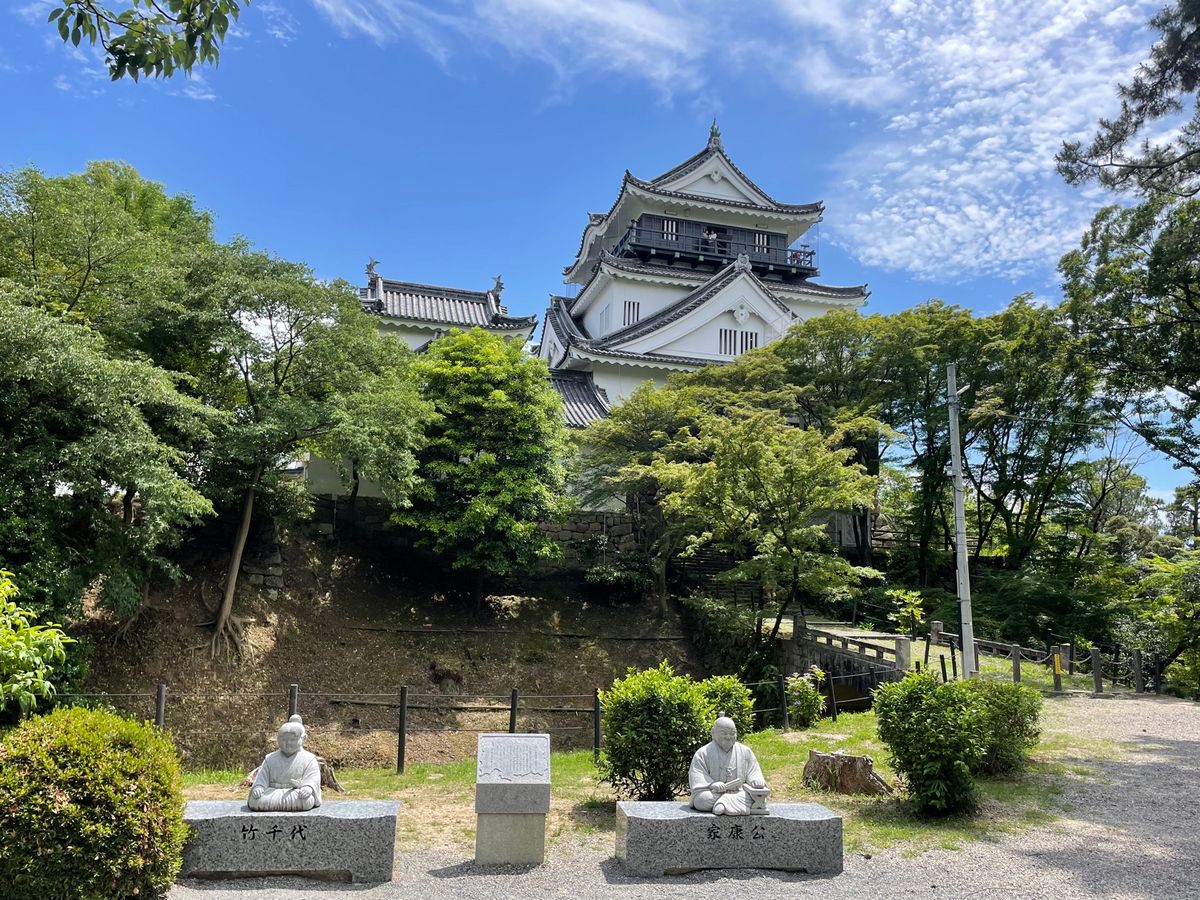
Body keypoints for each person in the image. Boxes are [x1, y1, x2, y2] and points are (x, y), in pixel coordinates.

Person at [688, 715, 769, 815]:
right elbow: (697, 773)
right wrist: (712, 784)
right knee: (702, 800)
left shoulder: (745, 751)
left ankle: (723, 803)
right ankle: (726, 803)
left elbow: (753, 771)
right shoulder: (703, 753)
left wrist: (755, 779)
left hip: (739, 792)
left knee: (755, 797)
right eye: (724, 733)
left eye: (732, 733)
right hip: (714, 793)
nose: (728, 737)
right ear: (713, 733)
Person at [248, 714, 323, 811]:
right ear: (278, 739)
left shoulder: (309, 759)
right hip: (272, 792)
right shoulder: (270, 758)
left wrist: (308, 788)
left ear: (303, 739)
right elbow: (261, 779)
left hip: (295, 794)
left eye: (292, 740)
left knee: (306, 800)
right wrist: (258, 787)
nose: (287, 743)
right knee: (255, 800)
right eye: (283, 740)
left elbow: (313, 778)